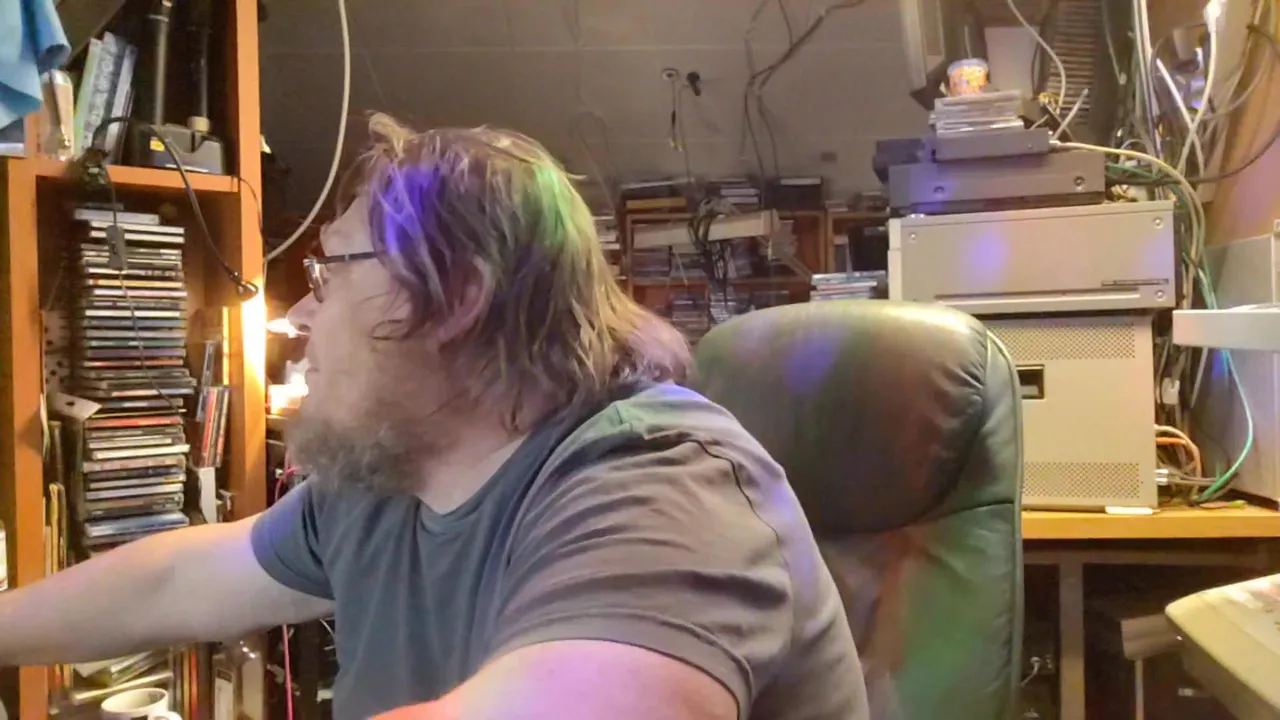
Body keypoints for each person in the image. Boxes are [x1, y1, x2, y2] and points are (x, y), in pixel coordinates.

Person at [0, 115, 868, 720]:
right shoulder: (390, 475)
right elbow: (177, 581)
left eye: (330, 272)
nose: (300, 316)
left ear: (452, 299)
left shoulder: (662, 486)